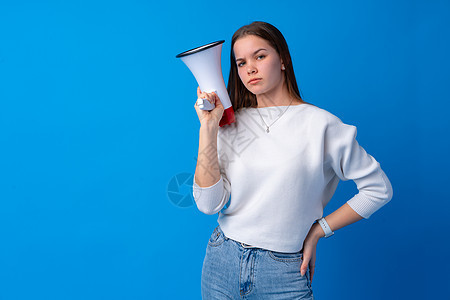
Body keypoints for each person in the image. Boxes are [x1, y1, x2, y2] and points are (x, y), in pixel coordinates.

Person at [192, 21, 393, 300]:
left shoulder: (321, 125)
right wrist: (208, 128)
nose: (250, 68)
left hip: (283, 270)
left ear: (283, 60)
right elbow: (207, 203)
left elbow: (378, 189)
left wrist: (319, 231)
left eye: (260, 56)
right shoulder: (231, 124)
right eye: (241, 62)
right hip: (221, 261)